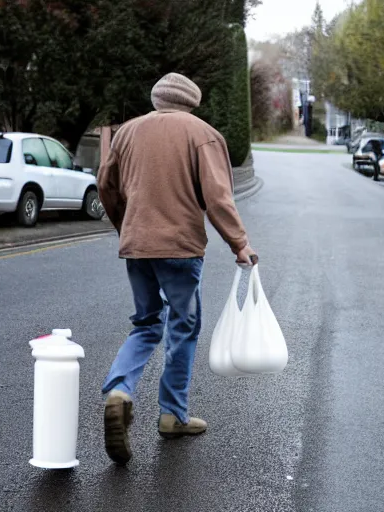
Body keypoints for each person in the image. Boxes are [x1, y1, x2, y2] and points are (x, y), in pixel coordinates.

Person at [97, 72, 256, 465]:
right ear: (191, 101)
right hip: (181, 249)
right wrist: (240, 244)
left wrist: (126, 227)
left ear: (157, 99)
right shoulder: (203, 134)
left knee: (147, 324)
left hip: (137, 245)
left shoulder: (127, 133)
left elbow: (106, 185)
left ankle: (119, 390)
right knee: (182, 328)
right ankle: (172, 416)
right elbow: (218, 198)